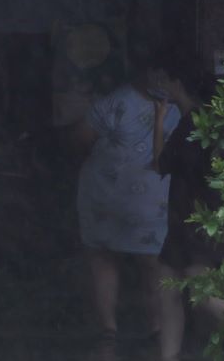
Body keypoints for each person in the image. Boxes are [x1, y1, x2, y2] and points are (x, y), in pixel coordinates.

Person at [73, 55, 182, 341]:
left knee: (107, 258)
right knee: (149, 263)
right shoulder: (181, 108)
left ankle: (111, 327)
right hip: (141, 198)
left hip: (115, 195)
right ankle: (156, 327)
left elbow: (81, 138)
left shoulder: (115, 102)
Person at [155, 74, 224, 361]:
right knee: (168, 279)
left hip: (195, 216)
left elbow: (160, 162)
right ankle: (168, 359)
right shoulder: (220, 125)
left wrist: (159, 120)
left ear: (177, 84)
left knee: (198, 281)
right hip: (199, 215)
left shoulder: (192, 122)